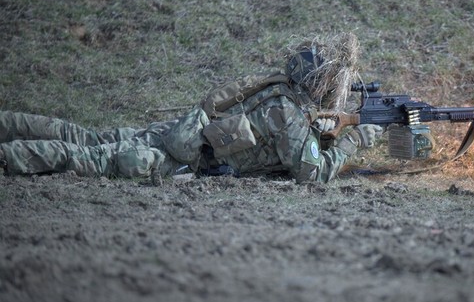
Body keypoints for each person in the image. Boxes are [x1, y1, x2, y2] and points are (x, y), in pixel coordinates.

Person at [0, 33, 383, 184]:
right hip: (174, 160)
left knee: (86, 137)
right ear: (319, 84)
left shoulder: (276, 89)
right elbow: (311, 174)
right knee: (85, 158)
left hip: (176, 133)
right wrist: (355, 141)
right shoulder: (291, 115)